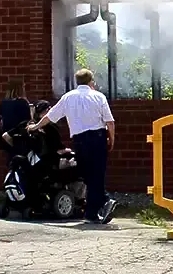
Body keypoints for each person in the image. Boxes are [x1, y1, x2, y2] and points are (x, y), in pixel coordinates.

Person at [28, 68, 117, 224]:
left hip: (80, 139)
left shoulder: (68, 97)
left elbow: (51, 116)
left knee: (85, 173)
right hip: (98, 137)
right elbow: (109, 121)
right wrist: (111, 139)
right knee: (97, 173)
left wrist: (35, 127)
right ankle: (103, 201)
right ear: (91, 81)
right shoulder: (99, 96)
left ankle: (92, 212)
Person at [0, 80, 32, 160]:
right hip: (19, 136)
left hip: (7, 135)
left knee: (11, 160)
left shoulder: (4, 103)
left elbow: (1, 119)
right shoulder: (22, 102)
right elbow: (28, 120)